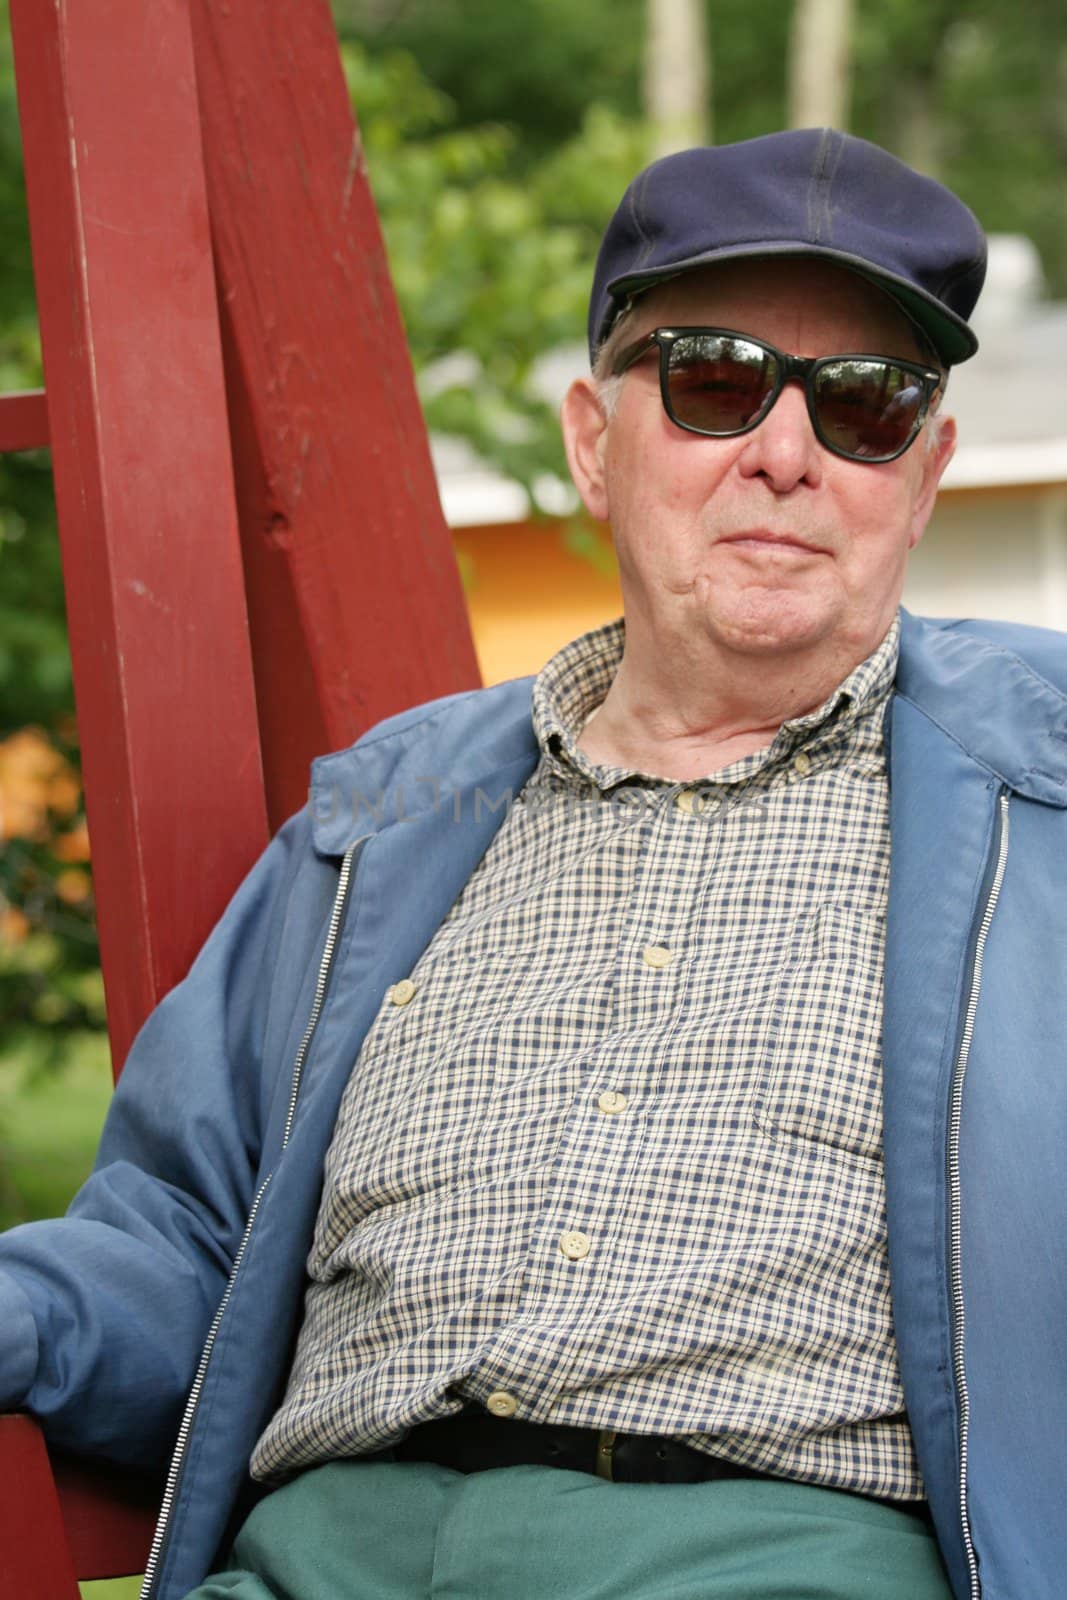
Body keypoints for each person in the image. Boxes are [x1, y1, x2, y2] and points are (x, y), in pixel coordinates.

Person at [1, 128, 1064, 1600]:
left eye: (867, 406)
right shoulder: (387, 825)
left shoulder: (1044, 808)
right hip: (320, 1555)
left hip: (775, 1556)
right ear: (591, 438)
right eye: (713, 380)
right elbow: (179, 1244)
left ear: (926, 471)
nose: (785, 451)